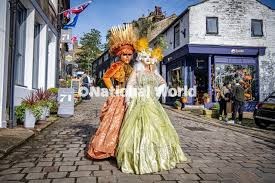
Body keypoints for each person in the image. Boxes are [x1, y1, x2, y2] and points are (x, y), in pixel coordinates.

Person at [116, 38, 187, 174]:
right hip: (139, 102)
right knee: (139, 130)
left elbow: (162, 83)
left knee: (158, 128)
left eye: (151, 59)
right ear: (142, 59)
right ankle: (138, 158)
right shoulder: (137, 71)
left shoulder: (154, 72)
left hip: (153, 102)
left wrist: (157, 93)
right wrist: (129, 99)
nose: (149, 61)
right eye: (146, 58)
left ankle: (159, 157)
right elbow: (130, 85)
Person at [87, 24, 137, 159]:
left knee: (128, 122)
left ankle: (124, 147)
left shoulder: (132, 68)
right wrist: (113, 89)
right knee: (115, 122)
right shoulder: (116, 65)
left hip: (130, 96)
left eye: (129, 55)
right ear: (120, 55)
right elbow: (106, 77)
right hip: (119, 97)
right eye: (124, 55)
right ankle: (109, 148)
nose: (127, 57)